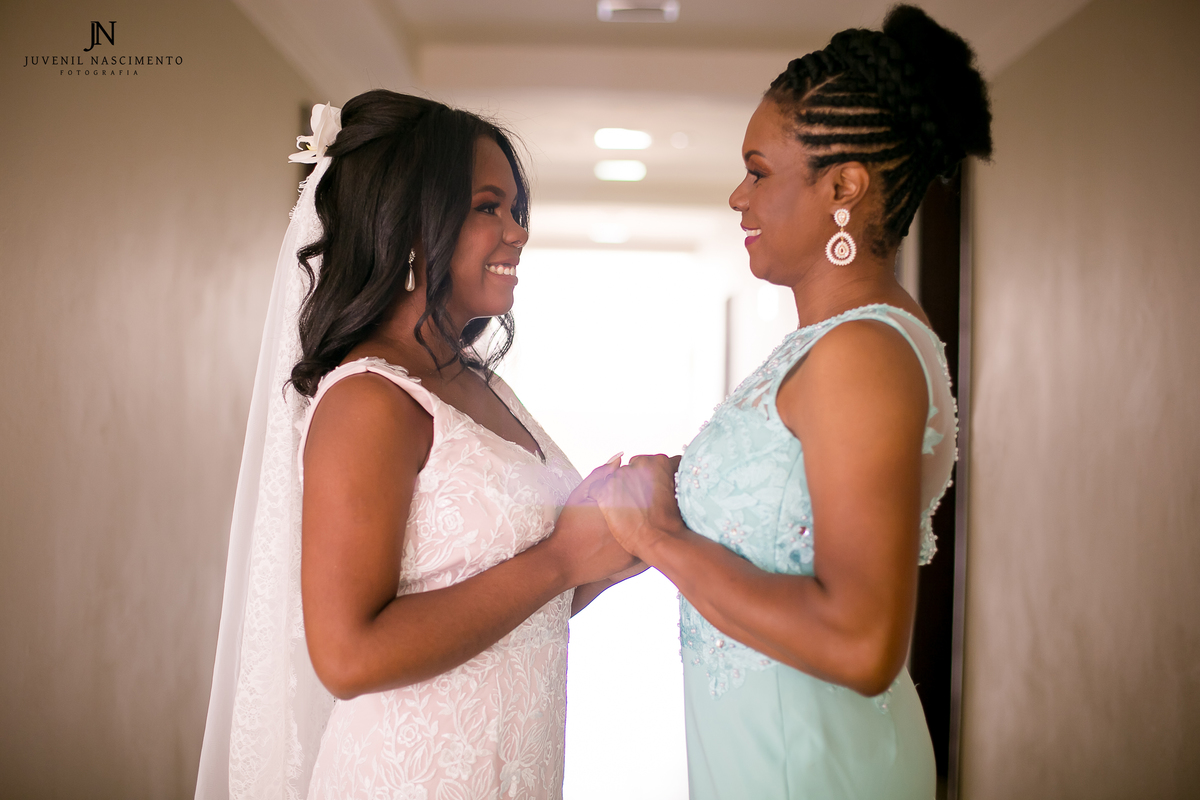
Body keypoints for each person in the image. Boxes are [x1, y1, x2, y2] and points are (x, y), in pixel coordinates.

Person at [590, 6, 992, 798]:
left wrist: (662, 537)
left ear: (843, 186)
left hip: (813, 768)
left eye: (759, 171)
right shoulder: (832, 345)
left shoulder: (862, 354)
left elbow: (861, 644)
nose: (738, 197)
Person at [195, 90, 640, 800]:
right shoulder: (370, 401)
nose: (518, 232)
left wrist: (612, 546)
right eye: (490, 207)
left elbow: (502, 605)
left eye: (516, 210)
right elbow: (348, 655)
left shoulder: (475, 380)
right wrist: (562, 559)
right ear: (409, 225)